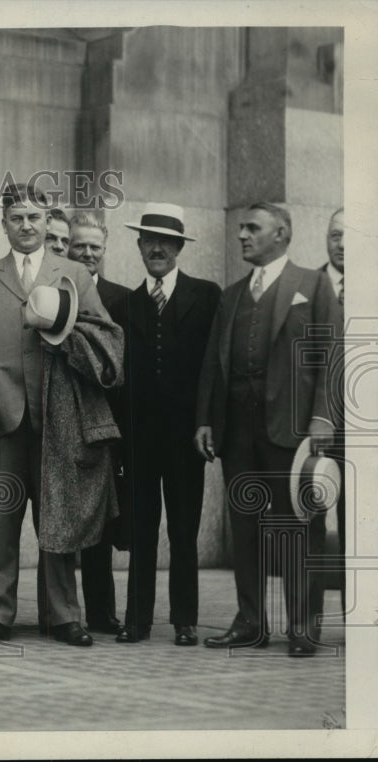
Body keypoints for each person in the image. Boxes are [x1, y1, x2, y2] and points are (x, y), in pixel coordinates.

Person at [0, 183, 118, 647]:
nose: (26, 226)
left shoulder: (74, 274)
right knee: (1, 523)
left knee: (57, 522)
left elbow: (105, 334)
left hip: (58, 420)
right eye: (17, 218)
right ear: (4, 224)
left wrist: (72, 341)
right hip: (2, 417)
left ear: (48, 223)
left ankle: (63, 615)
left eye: (34, 218)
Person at [196, 202, 340, 657]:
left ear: (282, 234)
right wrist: (204, 418)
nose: (242, 235)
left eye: (252, 228)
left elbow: (331, 355)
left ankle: (302, 627)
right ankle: (251, 622)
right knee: (246, 528)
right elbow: (214, 363)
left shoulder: (313, 285)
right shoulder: (232, 294)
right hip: (238, 430)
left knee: (299, 528)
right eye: (241, 228)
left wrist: (323, 416)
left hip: (293, 431)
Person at [107, 204, 220, 646]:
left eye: (166, 242)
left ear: (179, 248)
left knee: (184, 528)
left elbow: (214, 366)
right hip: (138, 437)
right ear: (138, 247)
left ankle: (185, 620)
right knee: (141, 528)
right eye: (149, 241)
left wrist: (207, 423)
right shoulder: (125, 304)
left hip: (186, 437)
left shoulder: (207, 295)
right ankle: (136, 620)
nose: (157, 248)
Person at [66, 211, 129, 635]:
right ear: (68, 248)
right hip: (63, 421)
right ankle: (62, 612)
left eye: (95, 247)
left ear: (105, 251)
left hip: (108, 425)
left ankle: (102, 611)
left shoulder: (122, 299)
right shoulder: (55, 292)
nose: (87, 254)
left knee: (103, 526)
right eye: (79, 246)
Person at [321, 208, 346, 614]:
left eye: (349, 236)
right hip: (313, 424)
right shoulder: (307, 285)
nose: (341, 244)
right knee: (308, 523)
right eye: (335, 235)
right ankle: (307, 622)